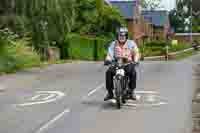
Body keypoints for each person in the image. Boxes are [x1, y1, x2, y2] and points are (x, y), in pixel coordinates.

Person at [104, 27, 140, 101]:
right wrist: (108, 60)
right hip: (116, 63)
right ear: (117, 36)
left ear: (126, 36)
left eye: (123, 35)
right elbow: (109, 53)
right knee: (108, 72)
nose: (122, 37)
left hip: (127, 63)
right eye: (120, 35)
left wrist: (135, 61)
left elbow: (136, 52)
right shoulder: (113, 44)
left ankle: (131, 91)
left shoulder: (131, 43)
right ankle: (110, 93)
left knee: (133, 72)